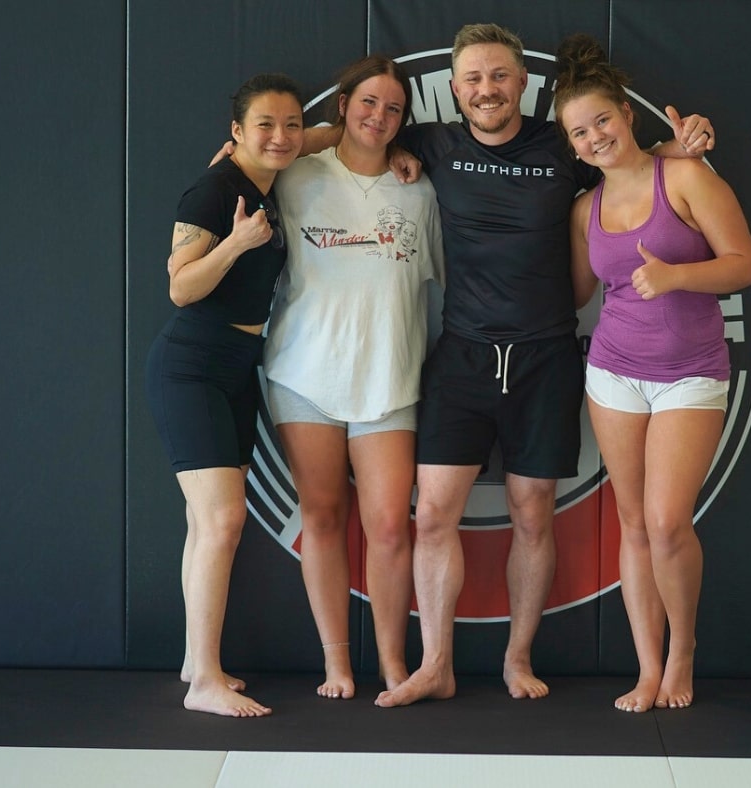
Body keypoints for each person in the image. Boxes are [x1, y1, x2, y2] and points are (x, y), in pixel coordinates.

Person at [356, 23, 713, 707]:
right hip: (461, 355)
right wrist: (278, 145)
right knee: (431, 515)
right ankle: (436, 663)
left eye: (498, 76)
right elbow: (350, 137)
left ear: (524, 84)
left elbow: (636, 164)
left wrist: (684, 143)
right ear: (455, 90)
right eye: (473, 79)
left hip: (546, 357)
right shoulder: (432, 143)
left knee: (533, 513)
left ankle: (518, 659)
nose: (486, 89)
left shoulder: (565, 147)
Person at [555, 34, 751, 712]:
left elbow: (743, 265)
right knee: (634, 524)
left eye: (602, 121)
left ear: (626, 115)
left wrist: (676, 274)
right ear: (573, 145)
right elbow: (580, 296)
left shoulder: (690, 176)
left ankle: (683, 652)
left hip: (690, 374)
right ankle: (646, 669)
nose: (594, 137)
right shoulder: (585, 210)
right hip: (613, 372)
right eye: (579, 133)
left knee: (669, 522)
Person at [262, 56, 443, 700]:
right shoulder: (296, 176)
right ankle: (336, 662)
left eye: (393, 109)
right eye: (368, 103)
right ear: (341, 105)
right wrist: (311, 138)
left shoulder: (420, 190)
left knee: (392, 524)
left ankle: (394, 663)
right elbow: (227, 165)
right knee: (323, 513)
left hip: (390, 377)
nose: (379, 117)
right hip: (304, 374)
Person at [145, 73, 304, 717]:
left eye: (290, 124)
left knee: (204, 523)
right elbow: (181, 288)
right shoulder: (214, 189)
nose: (281, 136)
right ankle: (205, 682)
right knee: (222, 520)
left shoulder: (269, 173)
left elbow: (319, 134)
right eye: (264, 124)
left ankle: (194, 661)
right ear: (234, 132)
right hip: (192, 366)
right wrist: (238, 243)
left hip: (238, 365)